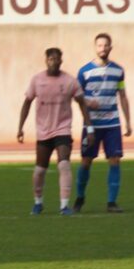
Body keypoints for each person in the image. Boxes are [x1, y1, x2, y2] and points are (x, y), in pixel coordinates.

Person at [18, 47, 96, 216]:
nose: (54, 62)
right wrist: (20, 127)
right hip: (43, 131)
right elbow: (27, 102)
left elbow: (82, 103)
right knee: (40, 170)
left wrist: (90, 128)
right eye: (51, 59)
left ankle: (64, 206)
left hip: (63, 129)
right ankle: (38, 203)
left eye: (57, 59)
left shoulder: (69, 81)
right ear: (46, 60)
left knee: (64, 164)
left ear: (61, 61)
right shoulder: (37, 80)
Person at [74, 33, 132, 213]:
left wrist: (128, 121)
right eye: (100, 45)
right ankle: (79, 198)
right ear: (95, 47)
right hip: (92, 124)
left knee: (115, 160)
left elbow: (122, 95)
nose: (103, 48)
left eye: (106, 45)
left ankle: (111, 202)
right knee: (86, 161)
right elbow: (78, 97)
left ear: (110, 48)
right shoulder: (84, 72)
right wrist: (87, 104)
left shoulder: (118, 71)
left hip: (112, 124)